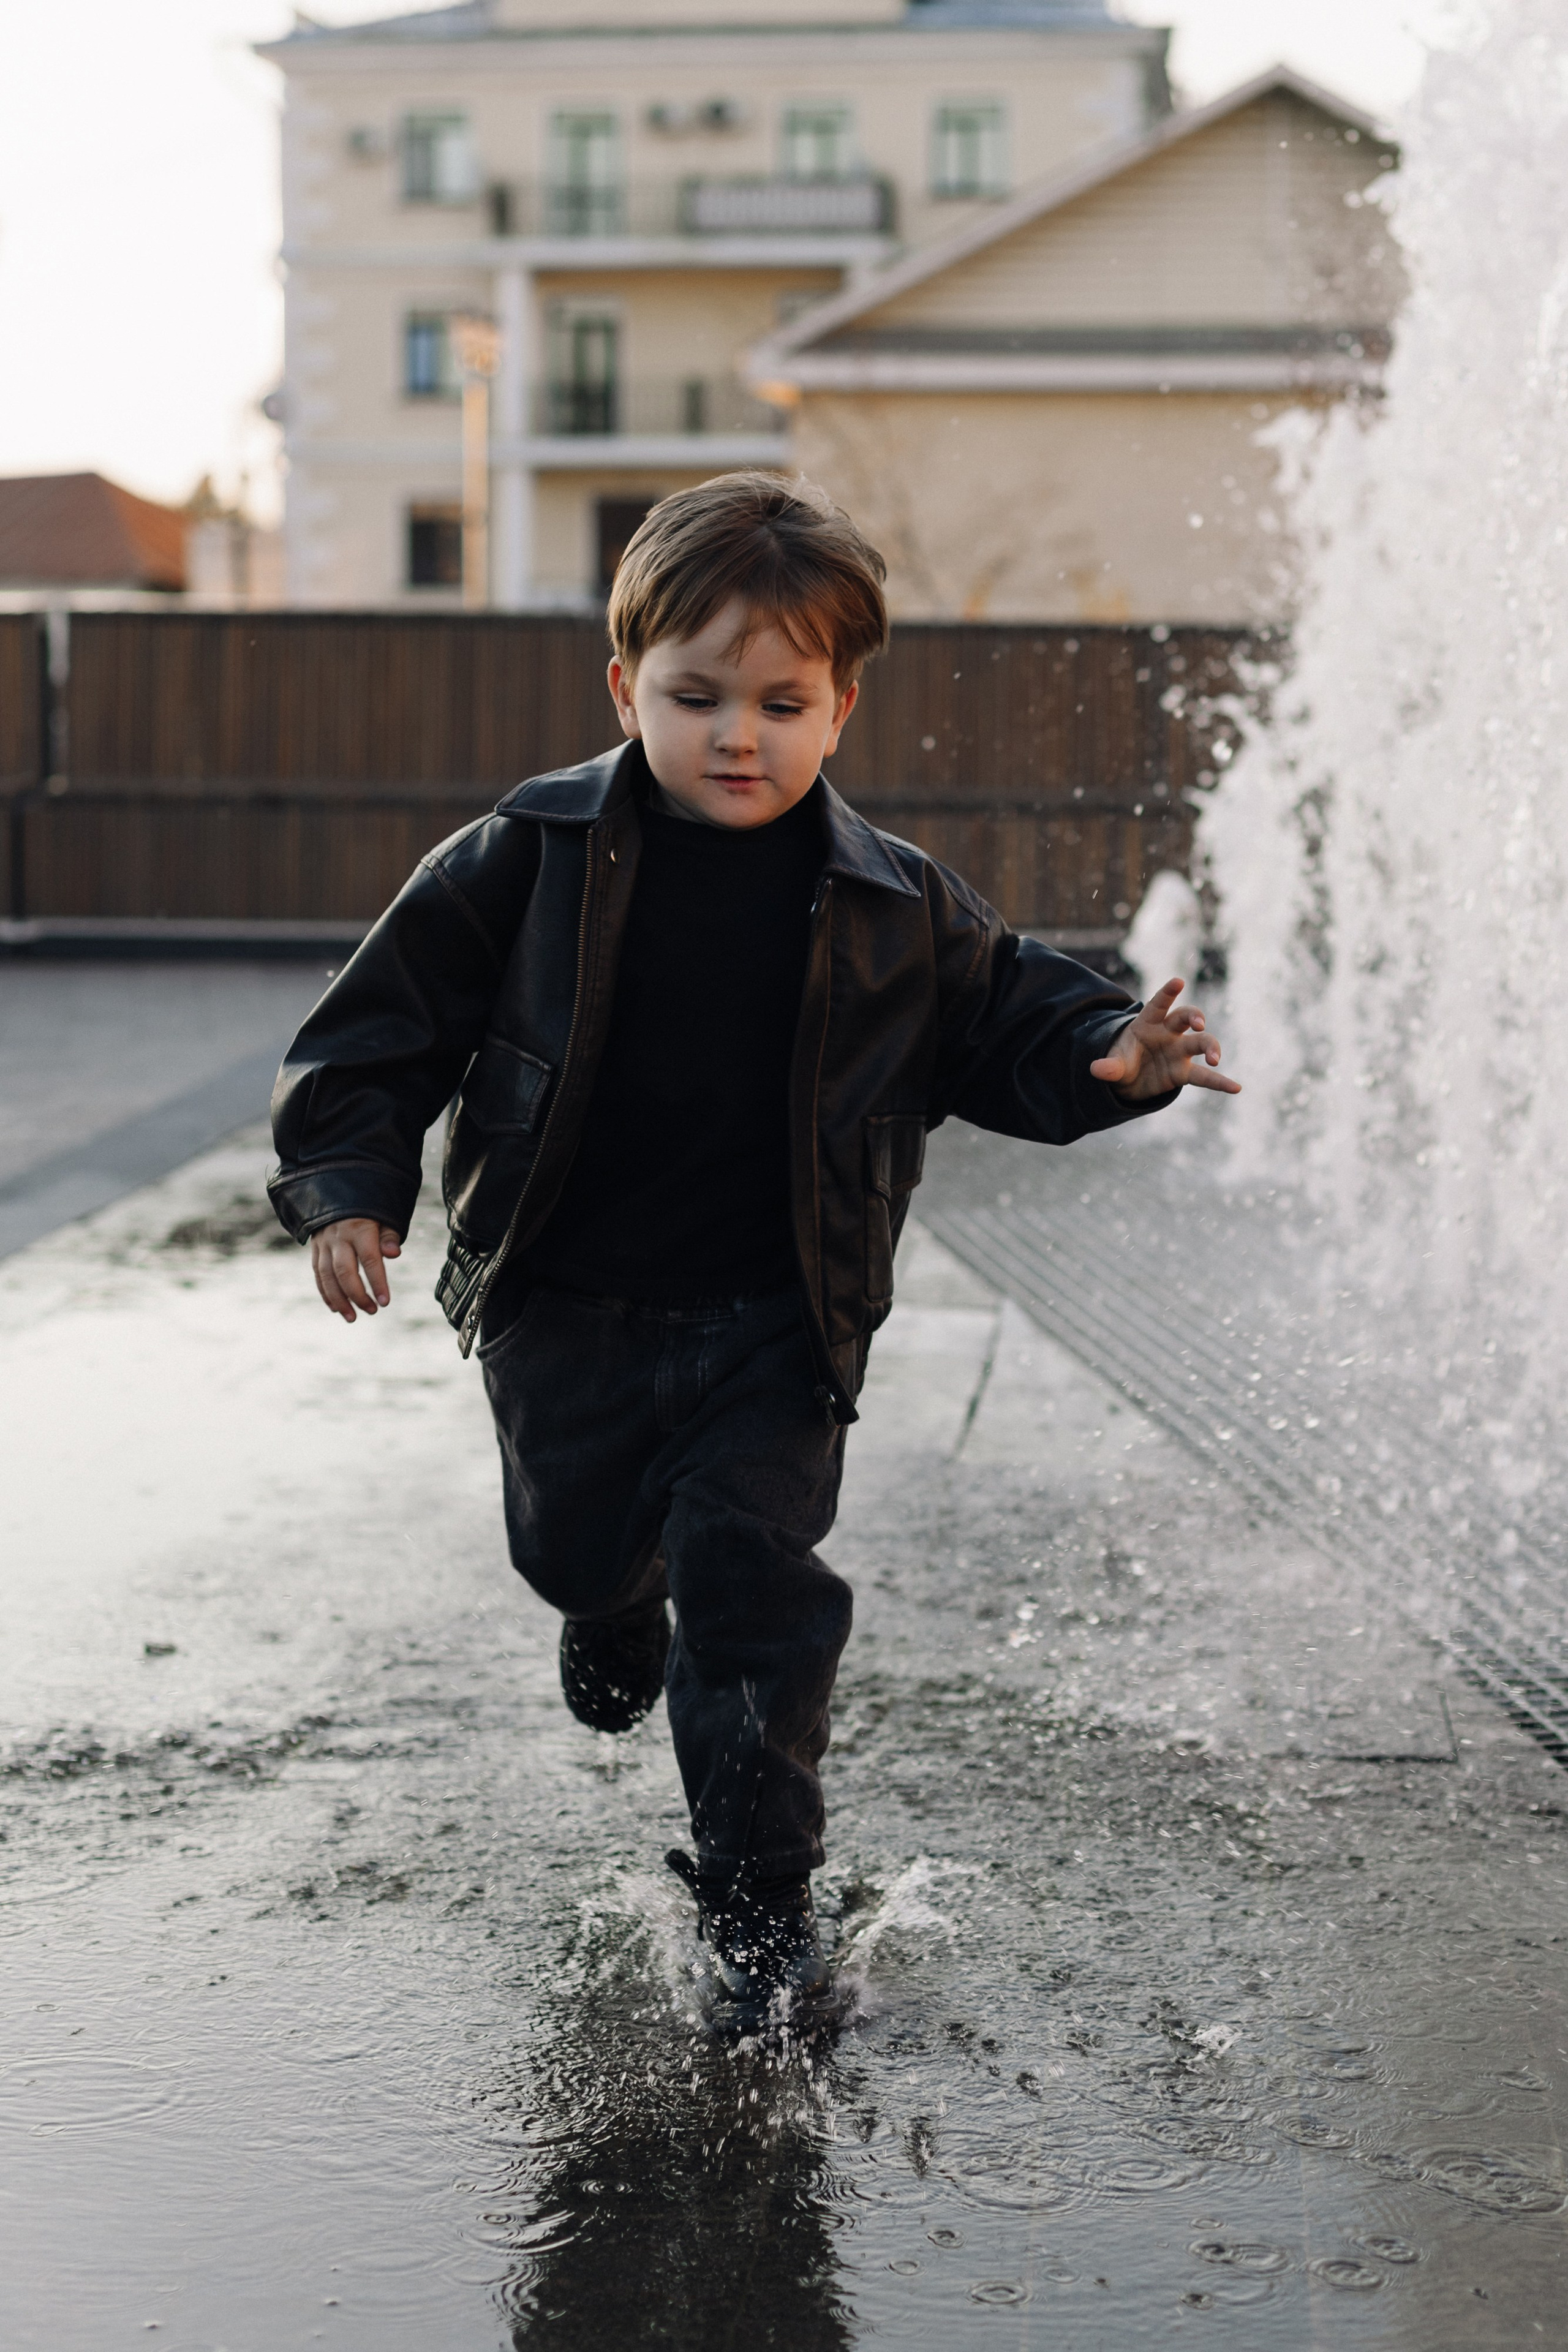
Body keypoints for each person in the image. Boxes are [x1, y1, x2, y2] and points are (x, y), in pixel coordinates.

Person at [268, 472, 1238, 2035]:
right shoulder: (523, 856)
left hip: (778, 1323)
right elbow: (378, 1033)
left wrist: (1109, 1058)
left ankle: (758, 1915)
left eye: (782, 702)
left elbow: (1007, 1016)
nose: (739, 734)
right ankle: (606, 1596)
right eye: (695, 695)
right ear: (624, 688)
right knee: (576, 1550)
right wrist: (346, 1186)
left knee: (757, 1594)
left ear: (840, 707)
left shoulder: (889, 899)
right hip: (567, 1305)